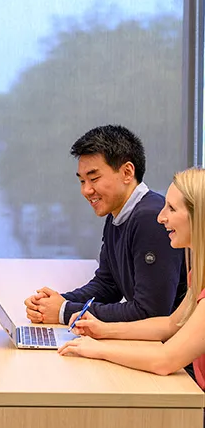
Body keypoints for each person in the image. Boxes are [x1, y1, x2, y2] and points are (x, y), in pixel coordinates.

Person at [58, 167, 205, 390]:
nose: (161, 217)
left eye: (172, 209)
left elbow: (166, 360)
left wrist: (97, 349)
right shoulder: (199, 274)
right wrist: (103, 330)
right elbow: (170, 324)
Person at [25, 125, 187, 325]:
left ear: (127, 172)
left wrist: (65, 312)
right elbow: (107, 286)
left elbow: (151, 312)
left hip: (176, 349)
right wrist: (56, 303)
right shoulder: (118, 214)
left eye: (93, 179)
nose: (86, 190)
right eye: (82, 181)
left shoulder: (150, 218)